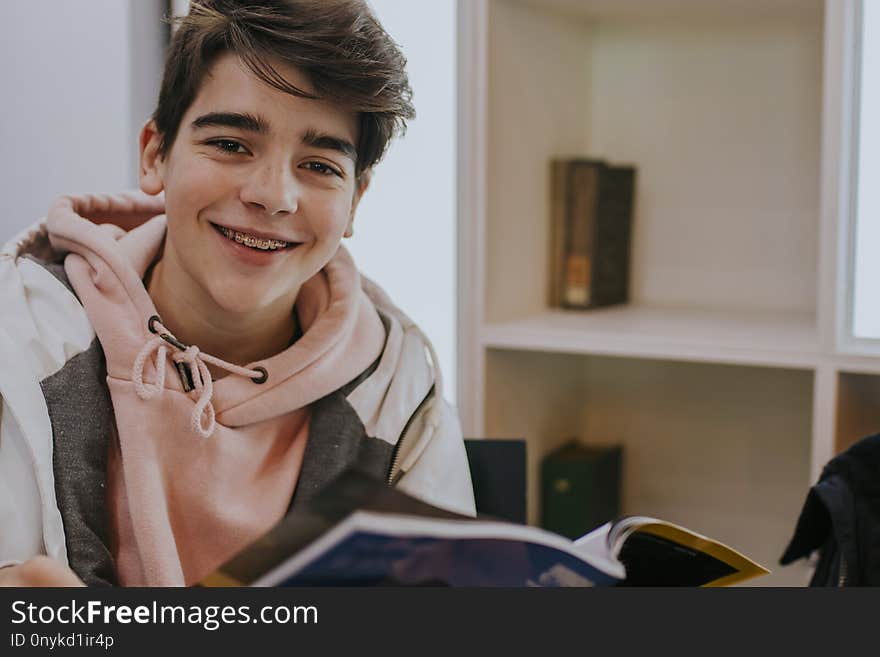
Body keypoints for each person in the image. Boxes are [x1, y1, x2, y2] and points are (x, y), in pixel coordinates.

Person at [0, 0, 474, 587]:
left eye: (320, 165)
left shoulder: (399, 393)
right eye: (231, 144)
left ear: (355, 201)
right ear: (155, 154)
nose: (274, 195)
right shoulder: (20, 343)